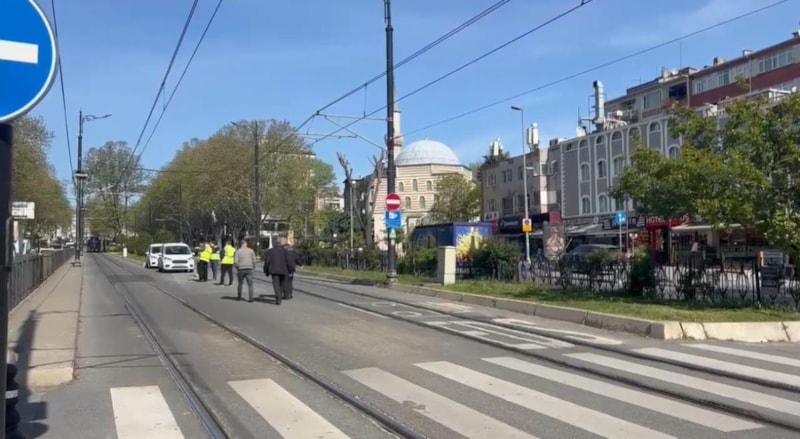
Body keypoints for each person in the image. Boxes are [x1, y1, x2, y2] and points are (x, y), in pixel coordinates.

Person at [263, 237, 294, 304]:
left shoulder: (270, 251)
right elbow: (289, 262)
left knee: (276, 284)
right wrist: (291, 270)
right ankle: (279, 295)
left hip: (274, 271)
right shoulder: (285, 251)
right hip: (284, 270)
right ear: (281, 243)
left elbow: (267, 262)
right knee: (281, 284)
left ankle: (278, 297)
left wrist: (266, 270)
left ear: (275, 243)